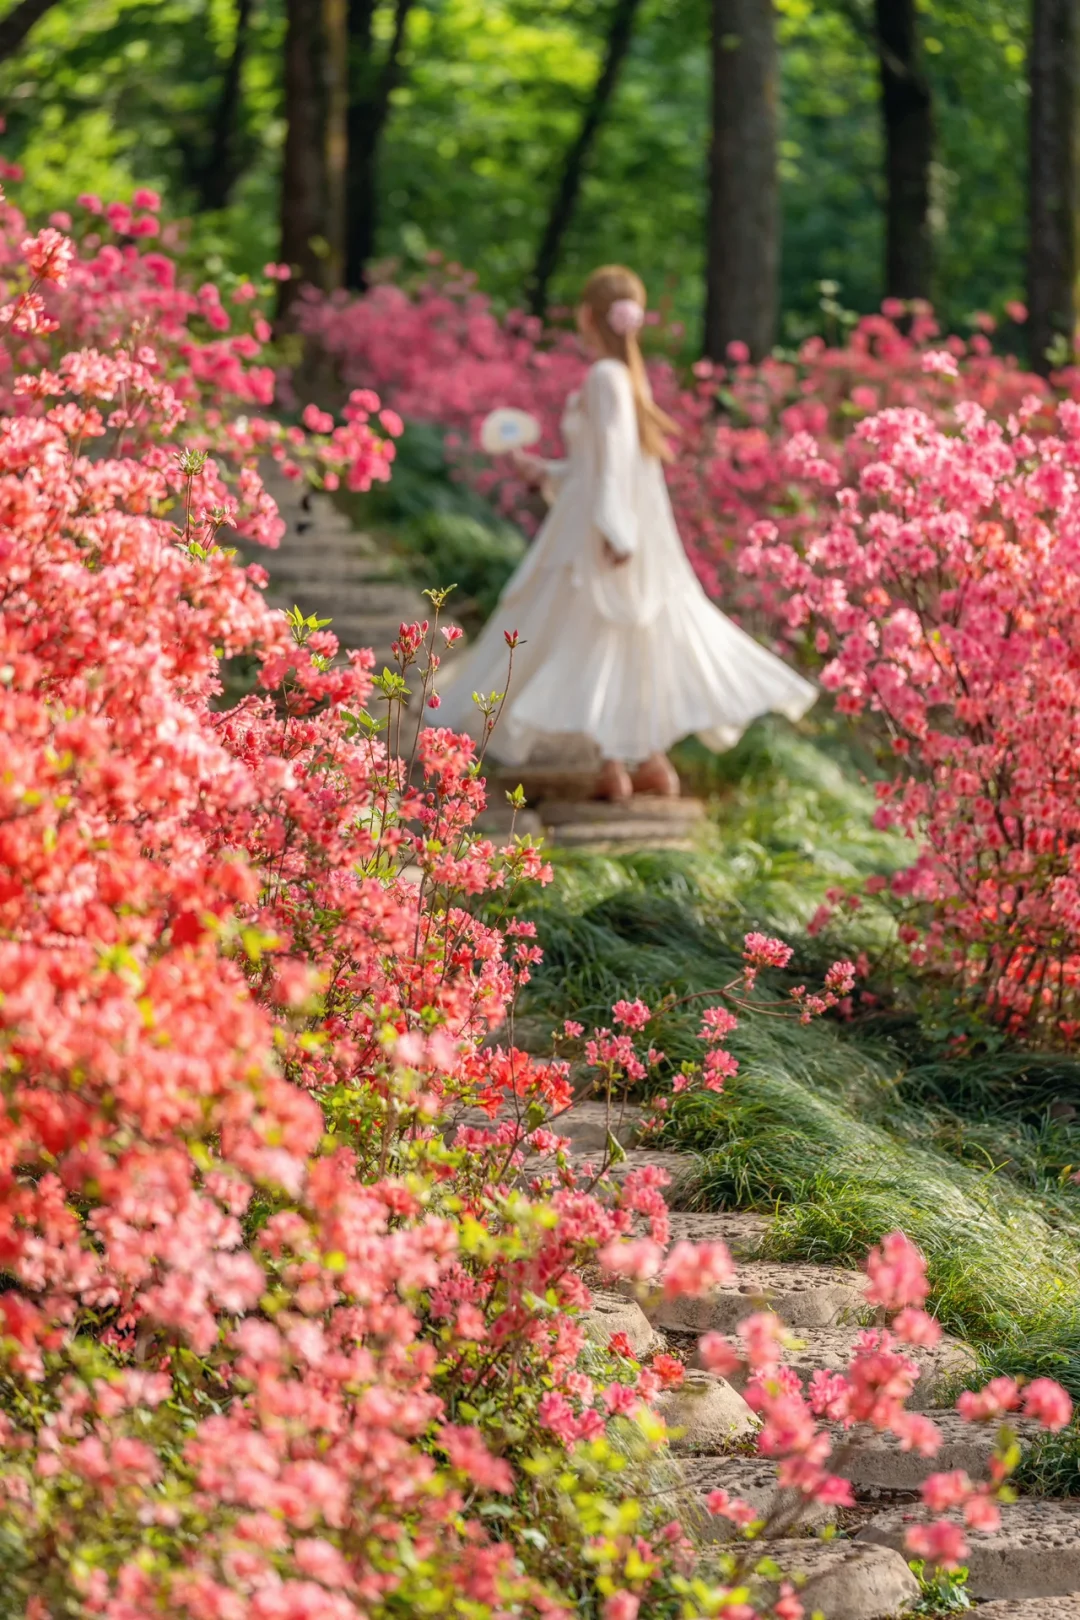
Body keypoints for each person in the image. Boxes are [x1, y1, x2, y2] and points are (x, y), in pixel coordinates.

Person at [434, 265, 816, 800]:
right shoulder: (624, 377)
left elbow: (614, 461)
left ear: (589, 315)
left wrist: (615, 530)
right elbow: (602, 465)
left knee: (599, 634)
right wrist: (547, 472)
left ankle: (617, 764)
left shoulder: (604, 377)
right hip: (611, 521)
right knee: (621, 638)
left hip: (607, 529)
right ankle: (649, 762)